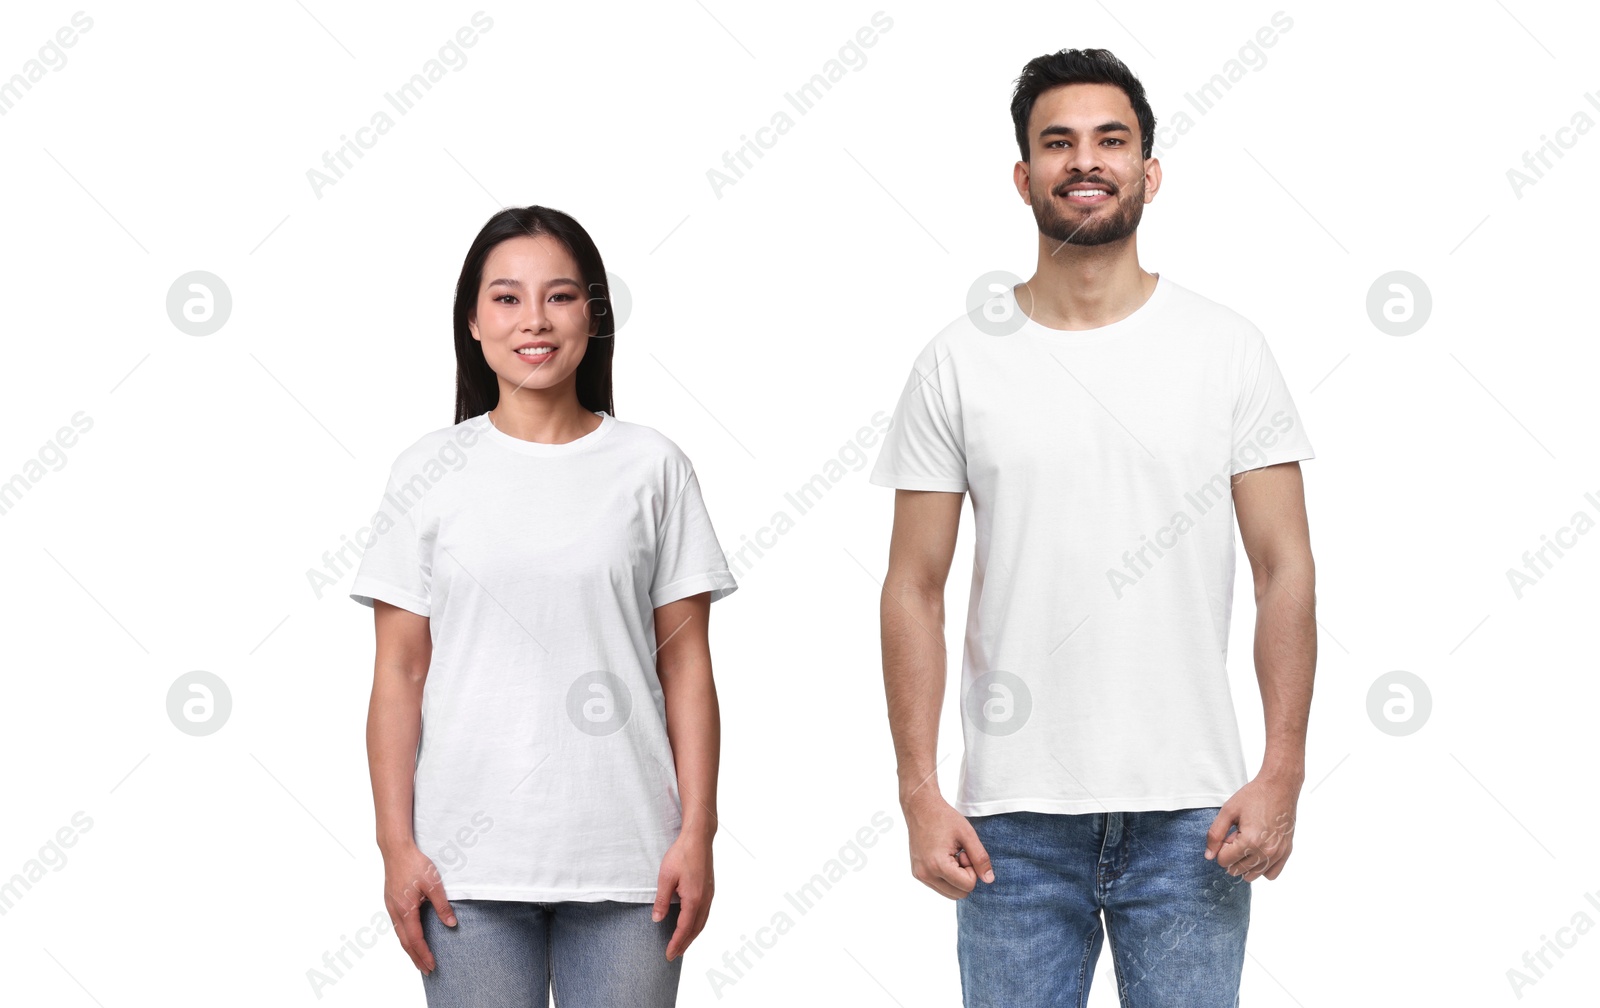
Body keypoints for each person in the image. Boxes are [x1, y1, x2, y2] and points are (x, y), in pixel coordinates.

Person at [870, 49, 1316, 1007]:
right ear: (1023, 175)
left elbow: (1286, 569)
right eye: (1058, 142)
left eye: (1112, 141)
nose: (1087, 161)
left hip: (1196, 819)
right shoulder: (957, 364)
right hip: (1012, 827)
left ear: (1149, 172)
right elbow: (913, 585)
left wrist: (1282, 769)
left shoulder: (1228, 350)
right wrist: (917, 790)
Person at [350, 206, 737, 1006]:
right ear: (472, 319)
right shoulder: (428, 471)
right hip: (466, 870)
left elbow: (688, 668)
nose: (534, 320)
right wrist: (396, 845)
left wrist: (697, 832)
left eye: (559, 296)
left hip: (632, 863)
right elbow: (398, 673)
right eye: (506, 298)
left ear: (593, 314)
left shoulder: (652, 466)